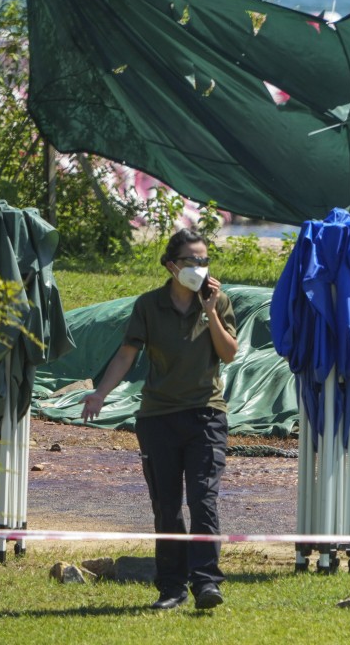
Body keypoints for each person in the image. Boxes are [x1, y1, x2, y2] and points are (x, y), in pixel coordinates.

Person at [81, 228, 238, 611]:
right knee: (166, 505)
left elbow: (229, 353)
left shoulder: (219, 301)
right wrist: (100, 393)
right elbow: (126, 353)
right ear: (171, 265)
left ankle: (206, 584)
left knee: (203, 501)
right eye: (191, 261)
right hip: (158, 417)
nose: (199, 268)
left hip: (206, 415)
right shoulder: (149, 306)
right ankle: (171, 587)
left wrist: (210, 310)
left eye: (204, 260)